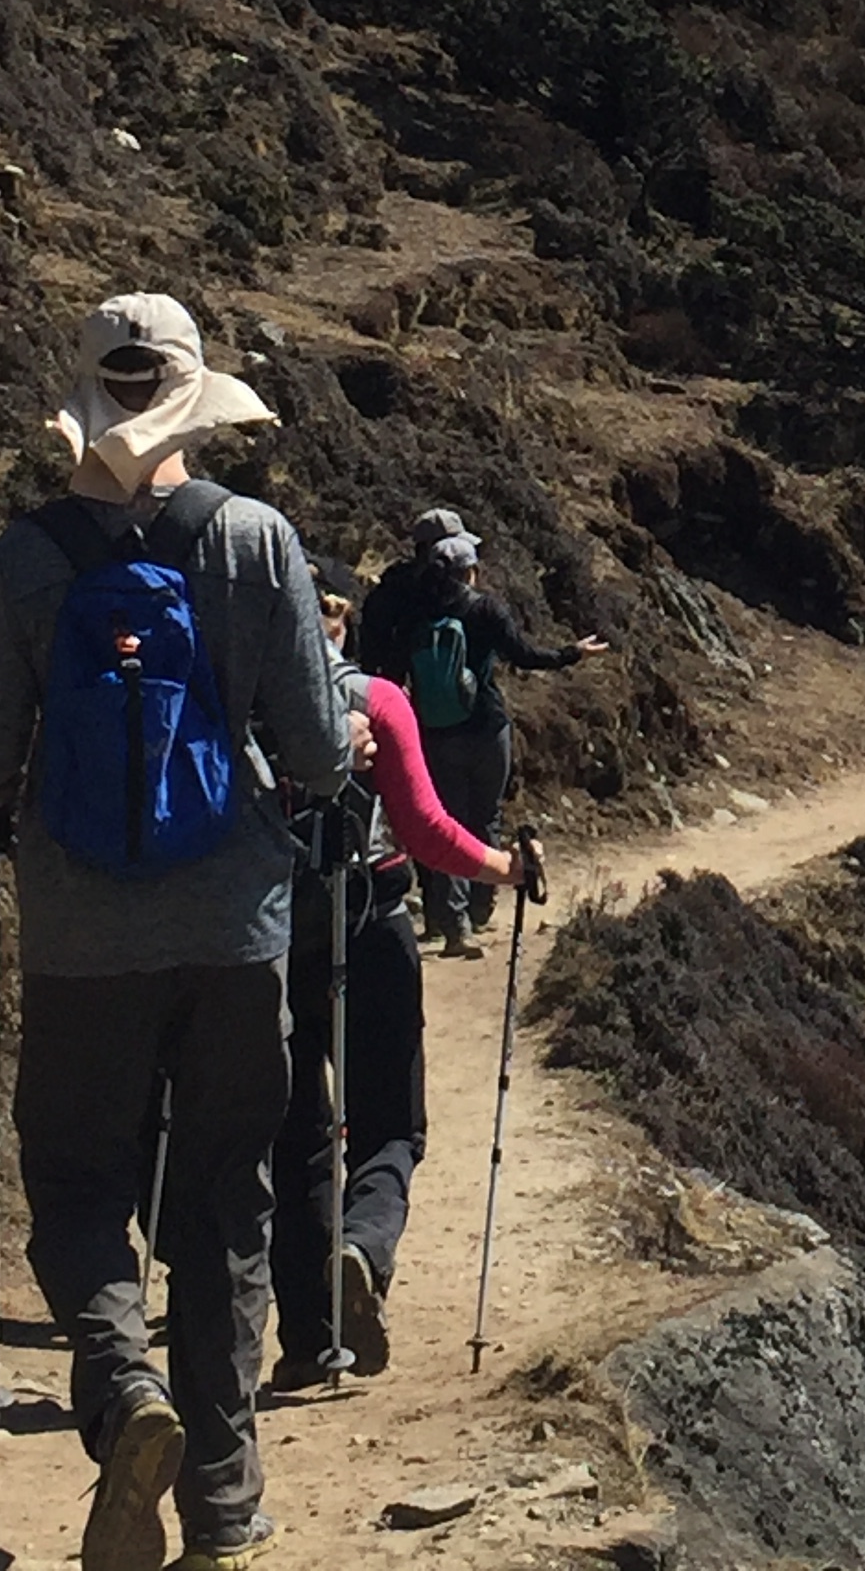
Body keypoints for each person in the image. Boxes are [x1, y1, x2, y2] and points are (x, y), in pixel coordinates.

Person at [0, 295, 356, 1571]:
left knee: (77, 1184)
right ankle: (226, 1509)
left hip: (79, 942)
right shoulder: (255, 540)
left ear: (86, 399)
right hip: (234, 930)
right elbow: (319, 751)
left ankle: (125, 1389)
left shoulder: (29, 557)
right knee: (228, 1204)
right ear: (195, 395)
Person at [266, 554, 545, 1391]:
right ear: (337, 622)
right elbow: (423, 829)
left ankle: (309, 1342)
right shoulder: (376, 701)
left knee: (297, 1141)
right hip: (373, 926)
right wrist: (504, 869)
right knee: (392, 1126)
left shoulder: (241, 698)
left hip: (270, 936)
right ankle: (364, 1245)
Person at [358, 509, 604, 957]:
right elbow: (525, 656)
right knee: (483, 816)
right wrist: (572, 653)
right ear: (468, 568)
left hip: (429, 729)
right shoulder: (484, 607)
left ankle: (448, 923)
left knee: (442, 819)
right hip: (487, 726)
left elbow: (382, 667)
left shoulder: (404, 605)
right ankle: (478, 906)